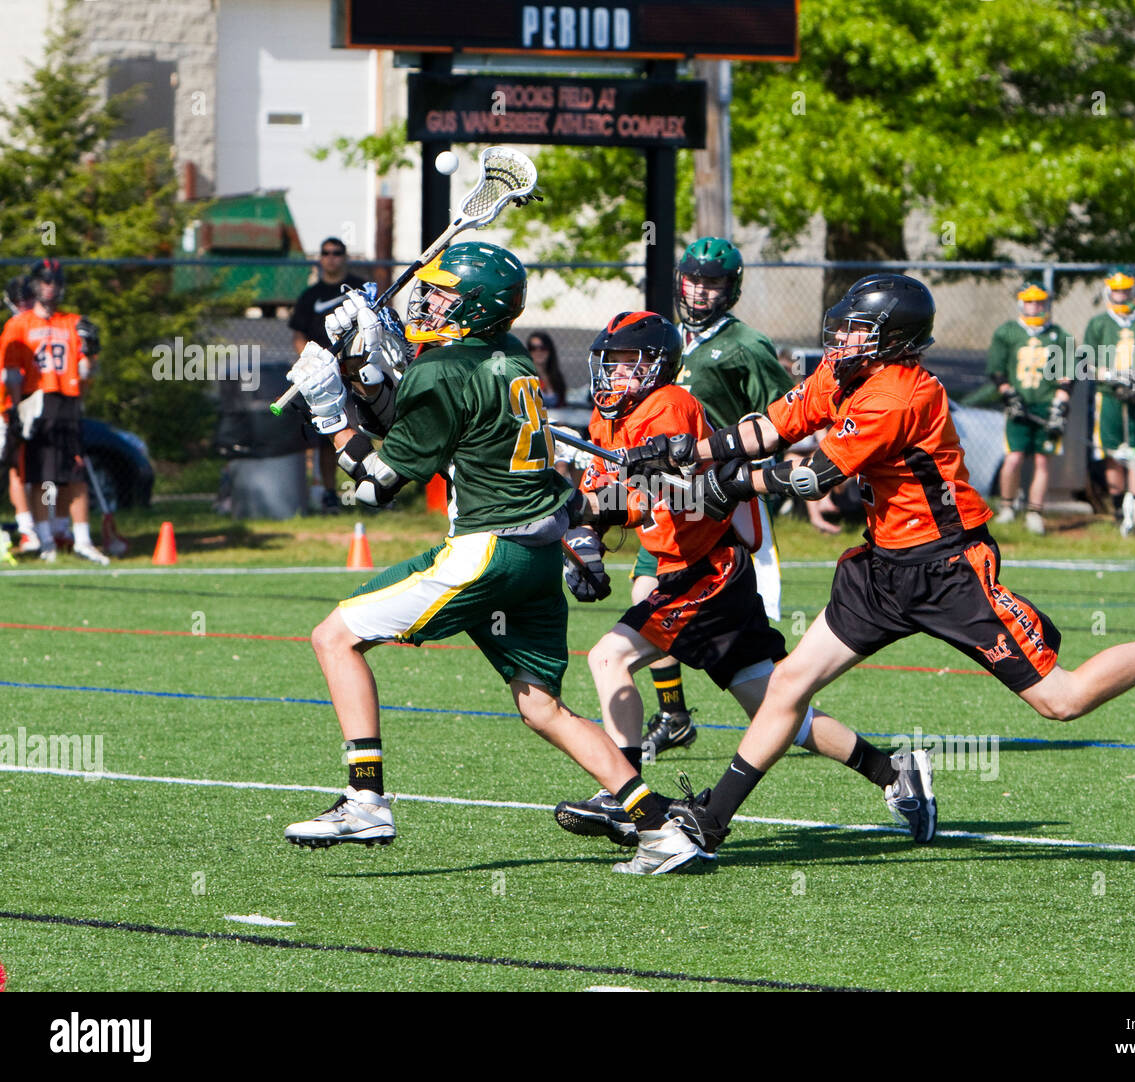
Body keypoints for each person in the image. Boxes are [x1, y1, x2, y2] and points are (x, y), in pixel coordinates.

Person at [657, 273, 1135, 862]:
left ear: (891, 339)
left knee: (1063, 700)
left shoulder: (898, 392)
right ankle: (713, 819)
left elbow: (814, 477)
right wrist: (686, 449)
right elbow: (771, 426)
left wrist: (731, 485)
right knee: (789, 684)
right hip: (882, 567)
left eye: (855, 330)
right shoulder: (843, 371)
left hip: (946, 568)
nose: (839, 340)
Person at [280, 242, 700, 874]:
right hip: (533, 556)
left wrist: (331, 413)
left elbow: (376, 484)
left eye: (445, 294)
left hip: (487, 550)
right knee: (542, 706)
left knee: (333, 636)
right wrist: (369, 370)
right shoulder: (505, 353)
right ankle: (659, 827)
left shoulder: (444, 370)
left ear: (476, 306)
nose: (429, 300)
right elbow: (424, 415)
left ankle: (365, 798)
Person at [551, 311, 933, 868]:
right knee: (775, 706)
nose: (618, 377)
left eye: (631, 365)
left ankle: (623, 795)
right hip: (690, 567)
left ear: (658, 367)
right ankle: (892, 772)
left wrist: (611, 510)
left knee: (609, 656)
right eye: (611, 365)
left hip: (705, 567)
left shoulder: (668, 407)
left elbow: (668, 489)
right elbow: (600, 496)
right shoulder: (607, 419)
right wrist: (582, 540)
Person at [631, 237, 795, 759]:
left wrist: (752, 469)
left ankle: (783, 707)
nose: (700, 292)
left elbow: (784, 415)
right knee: (644, 595)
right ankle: (674, 713)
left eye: (713, 283)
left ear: (732, 288)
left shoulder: (745, 345)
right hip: (665, 494)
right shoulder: (667, 335)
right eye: (694, 280)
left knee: (754, 616)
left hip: (719, 494)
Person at [0, 259, 108, 564]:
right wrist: (17, 410)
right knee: (38, 476)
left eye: (56, 282)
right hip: (36, 403)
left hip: (68, 401)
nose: (52, 288)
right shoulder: (19, 325)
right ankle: (45, 539)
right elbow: (12, 373)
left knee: (75, 474)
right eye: (46, 281)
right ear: (35, 285)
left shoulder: (72, 322)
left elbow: (86, 372)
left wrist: (91, 354)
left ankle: (82, 540)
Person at [1082, 265, 1135, 536]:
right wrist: (1111, 378)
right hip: (1108, 397)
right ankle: (1119, 510)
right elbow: (1087, 362)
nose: (1121, 296)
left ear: (1134, 289)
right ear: (1108, 291)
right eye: (1116, 291)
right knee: (1113, 453)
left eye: (1125, 290)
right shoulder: (1098, 323)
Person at [986, 280, 1072, 535]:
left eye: (1039, 301)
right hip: (1019, 406)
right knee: (1013, 459)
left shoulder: (1059, 335)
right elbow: (997, 371)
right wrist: (1009, 395)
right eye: (1030, 301)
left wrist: (1059, 406)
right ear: (1021, 303)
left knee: (1042, 462)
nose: (1035, 307)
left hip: (1046, 405)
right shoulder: (1007, 332)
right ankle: (1007, 508)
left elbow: (1066, 376)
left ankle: (1035, 512)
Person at [288, 238, 365, 511]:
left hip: (356, 372)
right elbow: (299, 335)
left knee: (364, 431)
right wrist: (311, 364)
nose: (331, 258)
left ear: (345, 257)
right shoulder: (311, 295)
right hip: (324, 378)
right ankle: (331, 493)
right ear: (320, 258)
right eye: (326, 253)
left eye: (337, 253)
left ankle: (371, 489)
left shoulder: (357, 289)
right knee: (327, 436)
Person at [2, 274, 41, 555]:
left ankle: (34, 530)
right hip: (21, 406)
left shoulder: (24, 326)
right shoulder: (19, 327)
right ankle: (34, 530)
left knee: (25, 470)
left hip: (27, 405)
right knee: (20, 468)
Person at [525, 331, 567, 408]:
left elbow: (562, 404)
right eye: (533, 348)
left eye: (543, 348)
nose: (538, 352)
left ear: (550, 350)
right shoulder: (526, 377)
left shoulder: (556, 377)